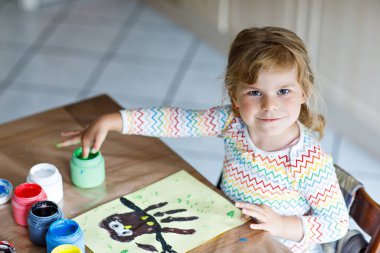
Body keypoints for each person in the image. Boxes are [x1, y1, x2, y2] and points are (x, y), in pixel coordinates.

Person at [57, 27, 349, 253]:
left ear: (304, 93)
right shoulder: (232, 122)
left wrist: (281, 224)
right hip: (229, 233)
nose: (269, 105)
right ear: (234, 96)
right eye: (255, 92)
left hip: (280, 247)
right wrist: (115, 120)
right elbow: (176, 121)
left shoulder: (309, 161)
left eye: (283, 91)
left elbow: (336, 224)